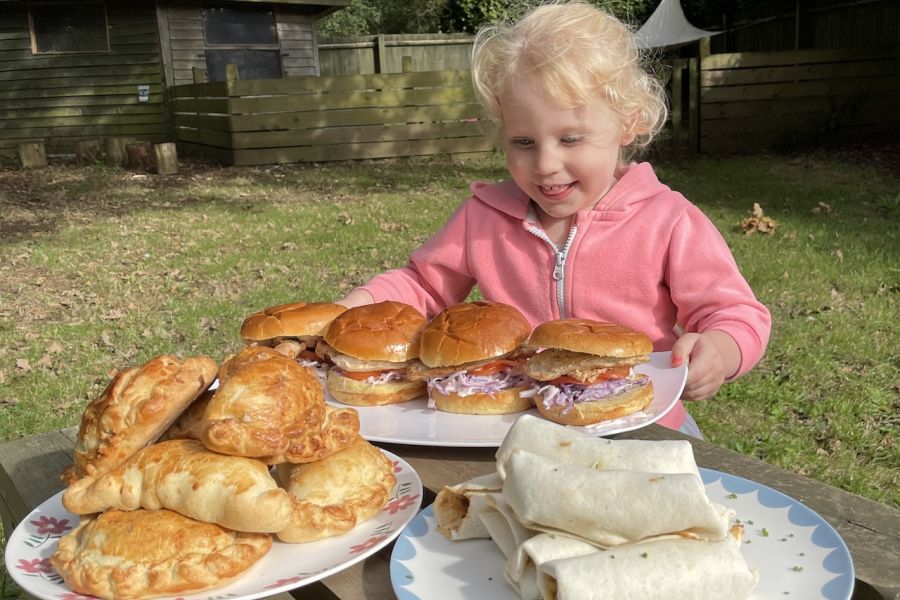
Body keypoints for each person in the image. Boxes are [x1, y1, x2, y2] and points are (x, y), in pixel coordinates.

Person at [337, 1, 771, 437]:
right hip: (516, 425)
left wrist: (722, 348)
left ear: (628, 123)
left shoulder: (668, 221)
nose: (545, 164)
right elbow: (423, 285)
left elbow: (733, 310)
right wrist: (356, 306)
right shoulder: (483, 218)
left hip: (640, 421)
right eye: (523, 141)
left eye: (570, 139)